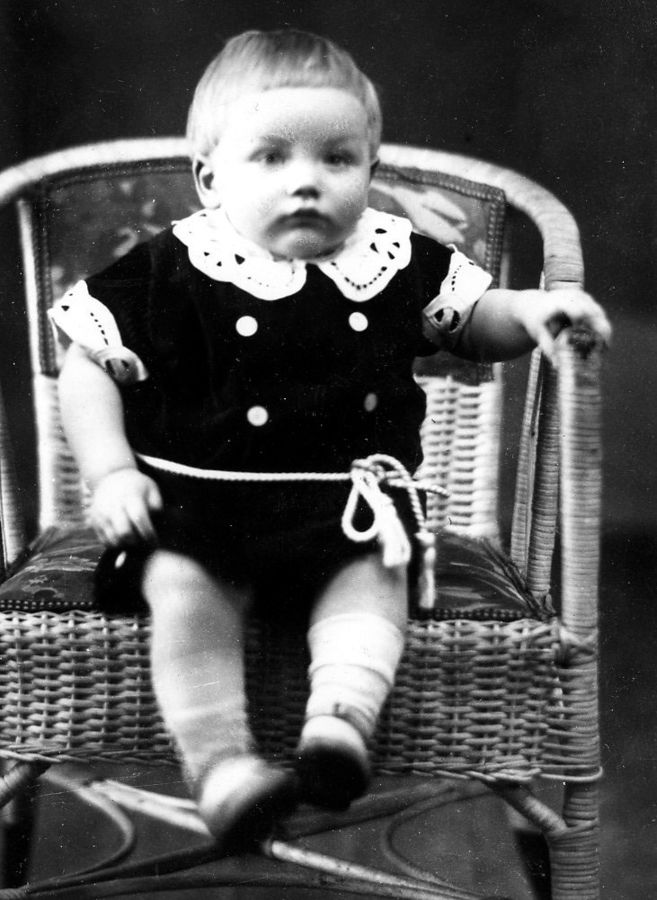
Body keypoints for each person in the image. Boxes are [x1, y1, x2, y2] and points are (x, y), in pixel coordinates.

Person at [50, 29, 611, 852]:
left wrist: (529, 312)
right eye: (271, 158)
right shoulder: (173, 266)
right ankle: (221, 766)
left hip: (348, 510)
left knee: (374, 578)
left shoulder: (392, 256)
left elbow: (474, 323)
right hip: (198, 510)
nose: (306, 180)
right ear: (210, 177)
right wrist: (110, 473)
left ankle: (340, 724)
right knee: (181, 589)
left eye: (337, 159)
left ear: (370, 171)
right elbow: (87, 365)